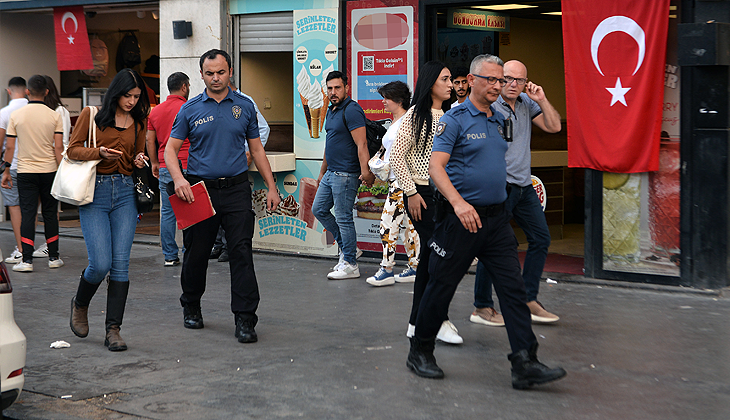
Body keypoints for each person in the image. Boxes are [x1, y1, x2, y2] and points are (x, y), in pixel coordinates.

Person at [407, 55, 566, 389]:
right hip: (461, 221)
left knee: (513, 289)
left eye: (501, 80)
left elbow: (546, 129)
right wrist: (459, 203)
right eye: (492, 79)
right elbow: (436, 168)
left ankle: (525, 361)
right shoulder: (456, 119)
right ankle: (420, 350)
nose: (498, 85)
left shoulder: (499, 118)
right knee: (441, 286)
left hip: (496, 221)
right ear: (472, 79)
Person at [165, 49, 280, 344]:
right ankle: (191, 303)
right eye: (209, 73)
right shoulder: (189, 109)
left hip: (237, 189)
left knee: (241, 251)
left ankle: (245, 318)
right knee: (197, 253)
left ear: (230, 72)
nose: (216, 78)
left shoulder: (244, 107)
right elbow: (169, 149)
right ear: (201, 75)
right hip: (200, 191)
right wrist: (179, 179)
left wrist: (272, 186)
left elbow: (256, 149)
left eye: (221, 72)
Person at [471, 60, 562, 327]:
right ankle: (482, 306)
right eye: (508, 78)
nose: (513, 85)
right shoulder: (489, 105)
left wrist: (542, 99)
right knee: (493, 247)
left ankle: (528, 299)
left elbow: (554, 126)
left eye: (519, 80)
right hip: (499, 188)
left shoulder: (526, 103)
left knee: (541, 239)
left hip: (523, 187)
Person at [68, 69, 150, 352]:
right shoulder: (92, 115)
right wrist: (98, 152)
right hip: (95, 192)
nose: (131, 101)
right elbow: (72, 150)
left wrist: (140, 159)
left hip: (125, 192)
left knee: (120, 265)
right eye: (127, 95)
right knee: (99, 263)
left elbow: (137, 157)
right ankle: (80, 303)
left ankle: (113, 330)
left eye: (137, 96)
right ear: (116, 92)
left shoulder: (139, 121)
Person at [390, 61, 462, 345]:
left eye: (451, 80)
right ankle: (437, 319)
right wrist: (411, 193)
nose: (450, 84)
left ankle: (416, 321)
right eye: (445, 79)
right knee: (440, 259)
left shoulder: (445, 114)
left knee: (432, 259)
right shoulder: (414, 116)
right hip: (421, 196)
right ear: (431, 82)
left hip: (440, 197)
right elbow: (397, 157)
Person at [312, 71, 375, 280]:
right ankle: (349, 248)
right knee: (319, 209)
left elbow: (362, 143)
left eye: (337, 88)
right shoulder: (331, 110)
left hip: (346, 173)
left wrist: (365, 172)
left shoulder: (352, 110)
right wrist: (322, 171)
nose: (333, 92)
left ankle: (350, 264)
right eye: (329, 88)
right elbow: (329, 143)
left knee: (343, 217)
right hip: (331, 172)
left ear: (346, 87)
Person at [1, 75, 64, 272]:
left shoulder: (16, 116)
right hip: (49, 171)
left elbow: (10, 147)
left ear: (28, 92)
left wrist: (6, 170)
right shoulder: (55, 116)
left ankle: (26, 260)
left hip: (26, 171)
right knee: (50, 214)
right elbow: (58, 147)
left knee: (28, 214)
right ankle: (53, 257)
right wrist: (62, 170)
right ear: (46, 92)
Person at [209, 79, 271, 263]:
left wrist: (248, 151)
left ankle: (228, 246)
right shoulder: (211, 101)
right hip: (217, 163)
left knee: (232, 207)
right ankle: (218, 244)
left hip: (236, 164)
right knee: (215, 205)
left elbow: (263, 128)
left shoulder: (245, 101)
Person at [366, 81, 419, 287]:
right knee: (409, 226)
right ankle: (414, 266)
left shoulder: (404, 121)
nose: (383, 102)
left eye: (386, 98)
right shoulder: (400, 120)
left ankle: (387, 269)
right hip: (402, 181)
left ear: (397, 100)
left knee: (388, 225)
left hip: (400, 181)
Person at [146, 72, 191, 267]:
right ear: (184, 87)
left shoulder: (155, 111)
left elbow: (149, 139)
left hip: (165, 165)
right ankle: (190, 251)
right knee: (192, 210)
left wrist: (154, 162)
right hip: (189, 164)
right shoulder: (188, 108)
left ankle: (170, 256)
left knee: (167, 213)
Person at [28, 76, 73, 260]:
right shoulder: (43, 111)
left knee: (50, 208)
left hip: (52, 163)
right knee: (39, 208)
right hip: (40, 164)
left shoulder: (59, 111)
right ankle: (31, 246)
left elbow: (63, 142)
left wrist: (61, 167)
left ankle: (49, 245)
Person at [0, 77, 27, 264]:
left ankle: (21, 249)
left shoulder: (5, 113)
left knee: (14, 207)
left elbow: (2, 142)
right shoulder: (37, 110)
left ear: (9, 91)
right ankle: (30, 245)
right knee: (31, 207)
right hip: (35, 166)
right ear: (27, 91)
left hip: (13, 166)